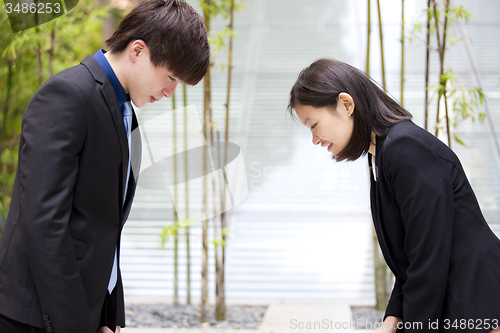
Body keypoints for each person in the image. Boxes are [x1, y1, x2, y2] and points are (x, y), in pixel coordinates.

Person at [0, 0, 210, 332]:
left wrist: (107, 316)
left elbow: (101, 228)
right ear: (137, 51)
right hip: (35, 316)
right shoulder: (67, 96)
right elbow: (44, 223)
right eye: (170, 77)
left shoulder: (125, 111)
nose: (170, 92)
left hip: (83, 311)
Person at [288, 58, 500, 333]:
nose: (315, 140)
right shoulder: (383, 154)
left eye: (314, 125)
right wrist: (392, 319)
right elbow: (413, 253)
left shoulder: (406, 148)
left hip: (477, 305)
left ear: (346, 104)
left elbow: (428, 257)